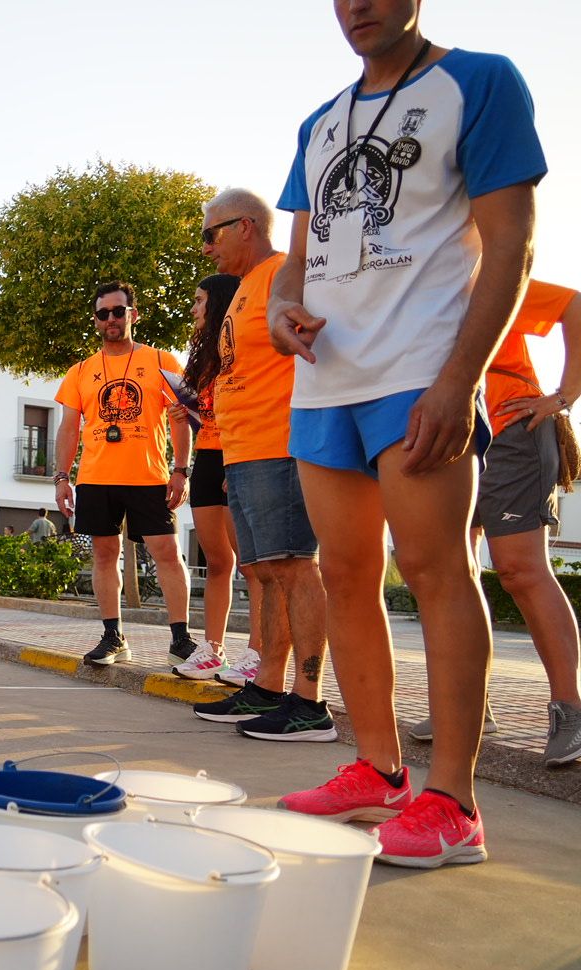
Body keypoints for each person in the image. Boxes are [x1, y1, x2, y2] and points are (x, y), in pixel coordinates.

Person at [268, 2, 545, 866]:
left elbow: (513, 244)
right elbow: (300, 255)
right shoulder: (319, 122)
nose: (358, 6)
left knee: (434, 571)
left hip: (422, 370)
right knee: (345, 574)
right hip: (325, 387)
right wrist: (282, 310)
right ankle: (376, 769)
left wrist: (461, 380)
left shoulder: (480, 81)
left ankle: (454, 801)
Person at [192, 191, 333, 733]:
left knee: (296, 567)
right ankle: (268, 687)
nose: (207, 247)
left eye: (212, 234)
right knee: (267, 574)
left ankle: (310, 700)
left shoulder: (283, 275)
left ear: (245, 226)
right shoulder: (246, 288)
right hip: (243, 450)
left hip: (280, 444)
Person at [436, 280, 579, 765]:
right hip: (450, 433)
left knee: (520, 570)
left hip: (512, 427)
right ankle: (470, 708)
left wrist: (564, 395)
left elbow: (573, 306)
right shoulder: (408, 276)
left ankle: (571, 711)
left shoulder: (482, 272)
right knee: (451, 574)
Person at [53, 281, 197, 669]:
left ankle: (181, 640)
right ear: (96, 321)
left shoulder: (163, 361)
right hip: (96, 478)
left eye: (119, 311)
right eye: (103, 314)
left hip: (150, 476)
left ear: (134, 314)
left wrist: (181, 469)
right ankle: (113, 635)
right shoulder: (80, 372)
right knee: (104, 554)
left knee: (167, 552)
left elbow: (181, 418)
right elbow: (68, 428)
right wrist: (62, 477)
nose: (111, 319)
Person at [171, 273, 252, 682]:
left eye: (200, 301)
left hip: (238, 454)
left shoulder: (242, 345)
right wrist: (183, 411)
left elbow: (247, 403)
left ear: (219, 303)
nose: (193, 308)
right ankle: (213, 649)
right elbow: (204, 410)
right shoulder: (200, 354)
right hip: (207, 454)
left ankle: (258, 653)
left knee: (254, 563)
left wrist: (237, 459)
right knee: (218, 560)